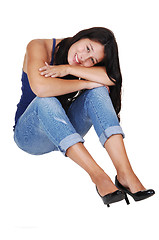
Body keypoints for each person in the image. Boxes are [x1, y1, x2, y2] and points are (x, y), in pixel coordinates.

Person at [13, 27, 155, 207]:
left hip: (67, 128)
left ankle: (125, 174)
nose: (83, 58)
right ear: (80, 36)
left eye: (92, 60)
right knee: (45, 100)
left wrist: (67, 69)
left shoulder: (77, 64)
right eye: (87, 48)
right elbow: (41, 88)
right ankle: (99, 177)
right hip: (31, 134)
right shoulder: (40, 46)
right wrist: (87, 82)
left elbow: (112, 77)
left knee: (98, 91)